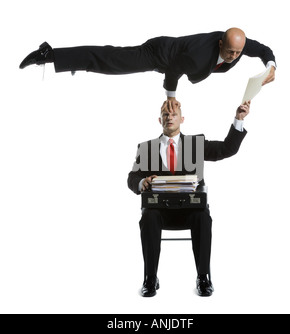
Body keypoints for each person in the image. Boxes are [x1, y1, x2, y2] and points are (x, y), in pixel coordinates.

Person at [127, 99, 250, 297]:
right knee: (148, 216)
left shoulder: (196, 144)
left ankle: (203, 277)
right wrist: (142, 182)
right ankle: (150, 278)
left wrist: (238, 119)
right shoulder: (146, 148)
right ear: (160, 120)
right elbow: (131, 178)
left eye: (174, 114)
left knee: (203, 217)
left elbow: (227, 149)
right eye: (166, 114)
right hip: (159, 212)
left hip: (191, 211)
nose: (170, 117)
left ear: (182, 119)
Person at [19, 28, 275, 110]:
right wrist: (171, 99)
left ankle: (66, 58)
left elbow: (262, 49)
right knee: (109, 61)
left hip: (173, 55)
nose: (233, 56)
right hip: (159, 55)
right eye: (230, 51)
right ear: (222, 43)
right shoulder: (200, 56)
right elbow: (173, 70)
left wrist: (271, 65)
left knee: (109, 58)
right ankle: (49, 54)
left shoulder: (239, 44)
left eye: (238, 52)